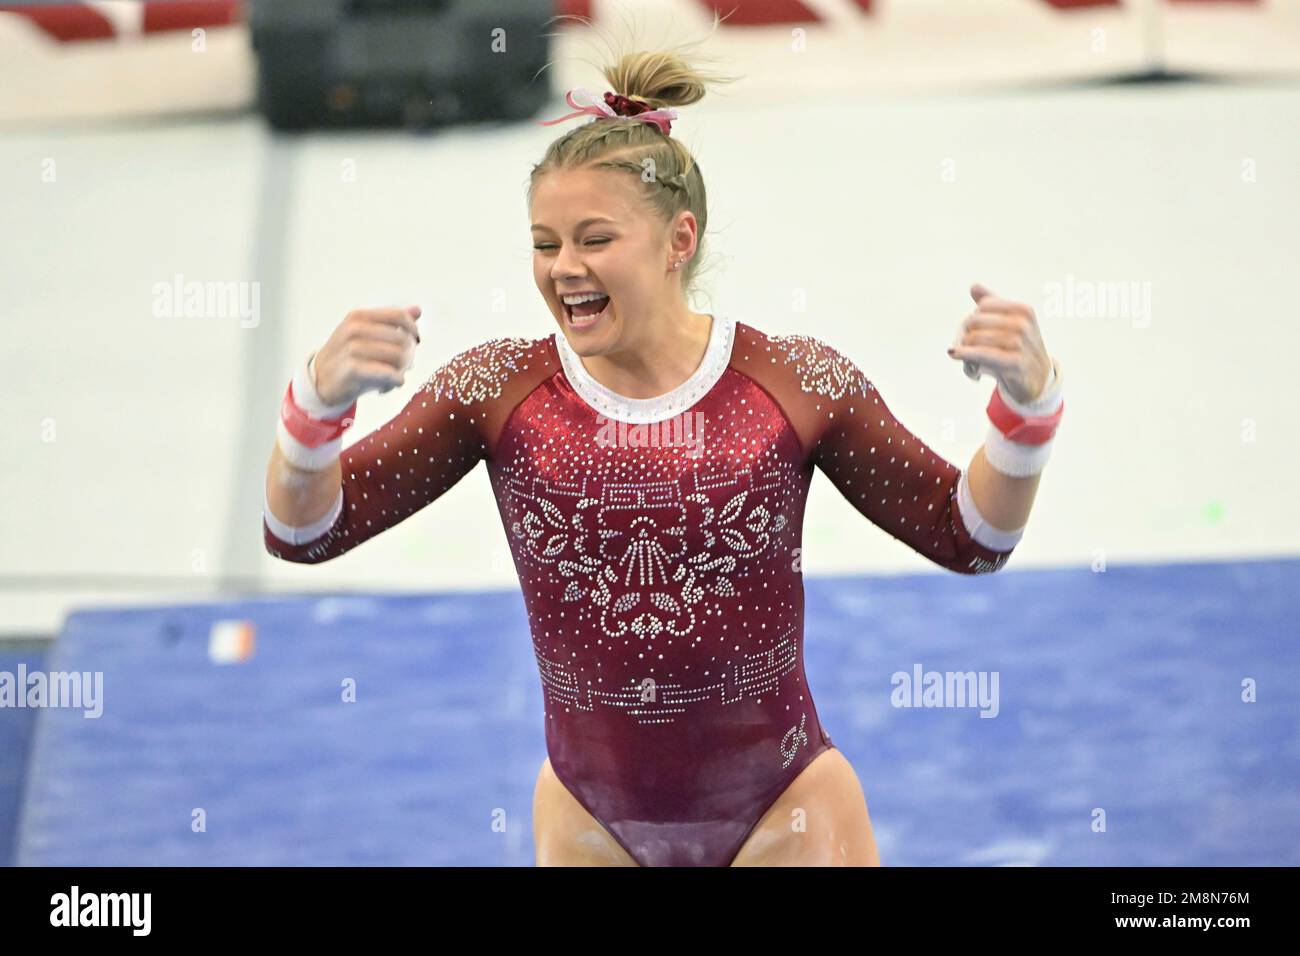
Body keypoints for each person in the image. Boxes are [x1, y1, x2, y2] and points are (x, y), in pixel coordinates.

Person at [263, 34, 1063, 867]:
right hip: (591, 822)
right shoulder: (496, 390)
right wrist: (316, 407)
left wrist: (1026, 409)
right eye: (545, 243)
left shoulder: (792, 383)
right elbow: (306, 532)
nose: (564, 268)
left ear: (679, 241)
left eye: (594, 239)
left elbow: (970, 538)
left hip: (786, 812)